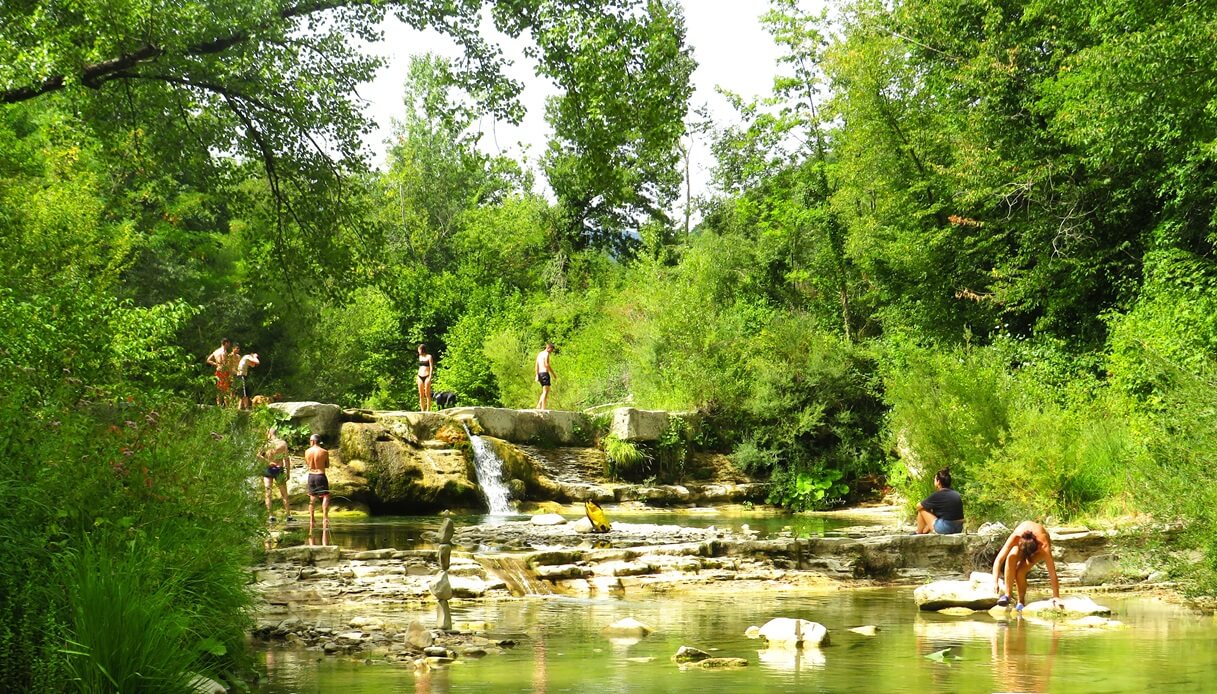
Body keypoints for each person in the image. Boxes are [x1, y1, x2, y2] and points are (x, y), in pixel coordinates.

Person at [992, 521, 1061, 612]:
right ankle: (1007, 595)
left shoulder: (1043, 545)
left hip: (1037, 550)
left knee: (1021, 571)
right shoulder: (1015, 537)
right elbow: (999, 560)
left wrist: (1056, 596)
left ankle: (1021, 602)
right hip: (1022, 545)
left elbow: (1052, 572)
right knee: (1011, 557)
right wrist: (995, 582)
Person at [914, 467, 964, 535]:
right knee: (933, 512)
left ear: (938, 482)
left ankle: (918, 533)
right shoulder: (956, 494)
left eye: (934, 479)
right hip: (959, 528)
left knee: (922, 509)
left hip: (946, 528)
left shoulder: (938, 495)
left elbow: (918, 506)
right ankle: (924, 532)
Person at [258, 428, 290, 521]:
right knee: (284, 493)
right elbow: (286, 459)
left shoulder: (266, 444)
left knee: (268, 492)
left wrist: (268, 462)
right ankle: (288, 515)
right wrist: (288, 472)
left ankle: (270, 515)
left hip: (268, 469)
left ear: (269, 433)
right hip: (279, 468)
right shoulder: (283, 443)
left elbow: (258, 455)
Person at [304, 433, 331, 536]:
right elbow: (327, 465)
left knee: (312, 498)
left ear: (313, 441)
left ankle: (312, 519)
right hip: (320, 475)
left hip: (311, 476)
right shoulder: (324, 452)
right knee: (326, 496)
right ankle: (325, 518)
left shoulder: (307, 452)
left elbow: (307, 463)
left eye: (310, 441)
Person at [206, 338, 232, 406]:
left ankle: (219, 405)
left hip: (218, 370)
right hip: (224, 371)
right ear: (225, 343)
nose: (229, 345)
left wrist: (216, 364)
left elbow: (208, 360)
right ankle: (227, 406)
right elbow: (224, 362)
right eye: (228, 343)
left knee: (219, 388)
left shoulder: (216, 351)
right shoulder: (224, 352)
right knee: (226, 389)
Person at [535, 343, 556, 410]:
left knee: (546, 390)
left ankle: (539, 405)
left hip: (540, 373)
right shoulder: (546, 354)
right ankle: (543, 408)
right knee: (546, 391)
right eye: (551, 350)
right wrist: (553, 374)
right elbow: (547, 364)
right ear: (549, 348)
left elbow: (536, 366)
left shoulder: (540, 354)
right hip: (544, 373)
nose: (551, 352)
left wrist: (537, 375)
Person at [416, 344, 435, 412]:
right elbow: (420, 367)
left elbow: (431, 367)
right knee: (421, 394)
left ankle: (428, 409)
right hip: (419, 376)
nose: (418, 351)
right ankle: (422, 410)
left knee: (427, 393)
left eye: (419, 350)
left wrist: (430, 376)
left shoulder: (429, 356)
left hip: (427, 376)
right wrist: (417, 377)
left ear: (422, 349)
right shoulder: (420, 357)